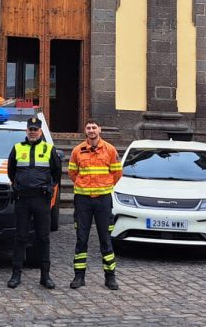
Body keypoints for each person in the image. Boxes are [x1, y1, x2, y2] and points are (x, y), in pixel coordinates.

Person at [6, 116, 62, 289]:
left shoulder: (49, 148)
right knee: (20, 237)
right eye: (30, 129)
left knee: (43, 238)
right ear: (26, 131)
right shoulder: (17, 148)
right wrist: (20, 184)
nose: (32, 132)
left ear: (40, 131)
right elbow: (11, 172)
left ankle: (45, 276)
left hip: (41, 199)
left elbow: (57, 172)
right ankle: (16, 275)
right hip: (22, 199)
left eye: (35, 130)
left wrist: (48, 187)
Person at [67, 119, 122, 290]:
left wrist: (103, 187)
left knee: (105, 239)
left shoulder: (110, 150)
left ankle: (110, 277)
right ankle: (79, 276)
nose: (91, 130)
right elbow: (72, 172)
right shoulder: (77, 150)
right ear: (85, 130)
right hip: (83, 200)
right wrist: (84, 186)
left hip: (103, 200)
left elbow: (117, 173)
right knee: (81, 239)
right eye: (88, 128)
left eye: (94, 127)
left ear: (100, 129)